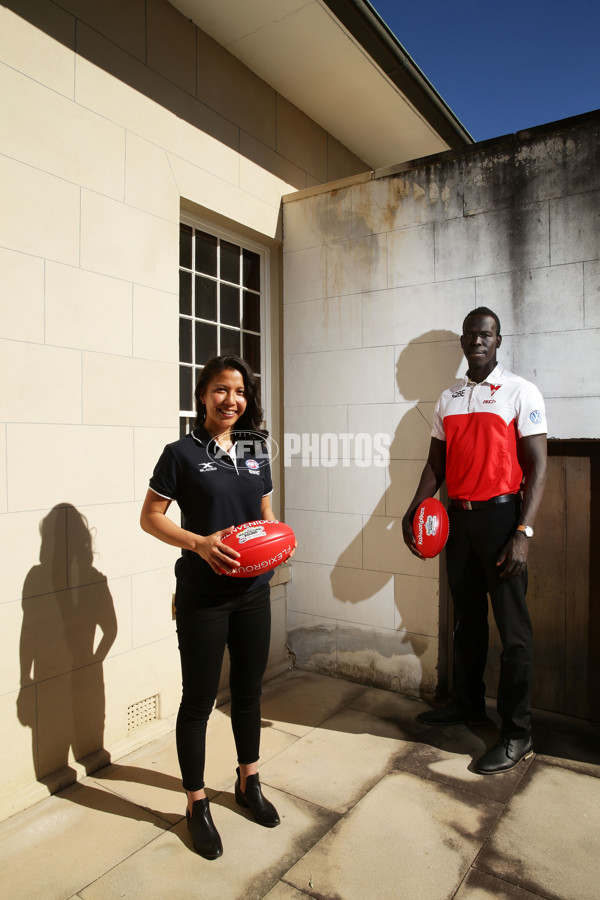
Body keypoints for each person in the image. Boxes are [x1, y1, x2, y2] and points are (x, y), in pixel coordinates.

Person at [141, 355, 291, 858]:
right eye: (221, 390)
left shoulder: (255, 446)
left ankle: (249, 783)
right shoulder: (179, 453)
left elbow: (265, 512)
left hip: (253, 592)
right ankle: (197, 802)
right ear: (202, 395)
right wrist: (199, 544)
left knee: (248, 693)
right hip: (204, 597)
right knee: (199, 701)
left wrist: (278, 539)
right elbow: (151, 517)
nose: (232, 400)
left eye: (241, 391)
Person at [402, 308, 547, 775]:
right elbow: (435, 465)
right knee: (467, 623)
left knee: (514, 634)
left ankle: (518, 732)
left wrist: (523, 532)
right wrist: (415, 507)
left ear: (498, 340)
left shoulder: (521, 391)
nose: (477, 341)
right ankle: (467, 705)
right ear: (463, 342)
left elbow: (539, 469)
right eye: (471, 335)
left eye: (486, 335)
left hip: (503, 520)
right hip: (458, 524)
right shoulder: (449, 397)